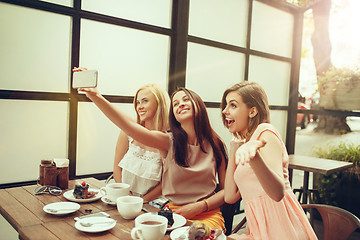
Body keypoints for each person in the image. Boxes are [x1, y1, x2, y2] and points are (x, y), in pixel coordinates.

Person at [75, 68, 227, 230]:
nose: (180, 104)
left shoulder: (216, 143)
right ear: (173, 114)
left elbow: (227, 192)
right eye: (175, 103)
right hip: (173, 212)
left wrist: (200, 206)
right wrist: (96, 96)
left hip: (208, 213)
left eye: (186, 100)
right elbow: (128, 126)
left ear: (199, 105)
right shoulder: (168, 141)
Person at [221, 82, 317, 240]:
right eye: (226, 105)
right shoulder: (247, 145)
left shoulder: (265, 132)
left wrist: (254, 157)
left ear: (252, 111)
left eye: (233, 105)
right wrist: (234, 147)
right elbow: (230, 196)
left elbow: (278, 193)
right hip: (259, 230)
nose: (225, 111)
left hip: (282, 227)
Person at [112, 84, 170, 203]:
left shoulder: (168, 139)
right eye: (138, 103)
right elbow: (117, 168)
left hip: (155, 203)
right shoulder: (127, 132)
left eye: (145, 101)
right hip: (124, 198)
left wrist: (141, 201)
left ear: (159, 104)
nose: (140, 107)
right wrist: (126, 196)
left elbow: (166, 182)